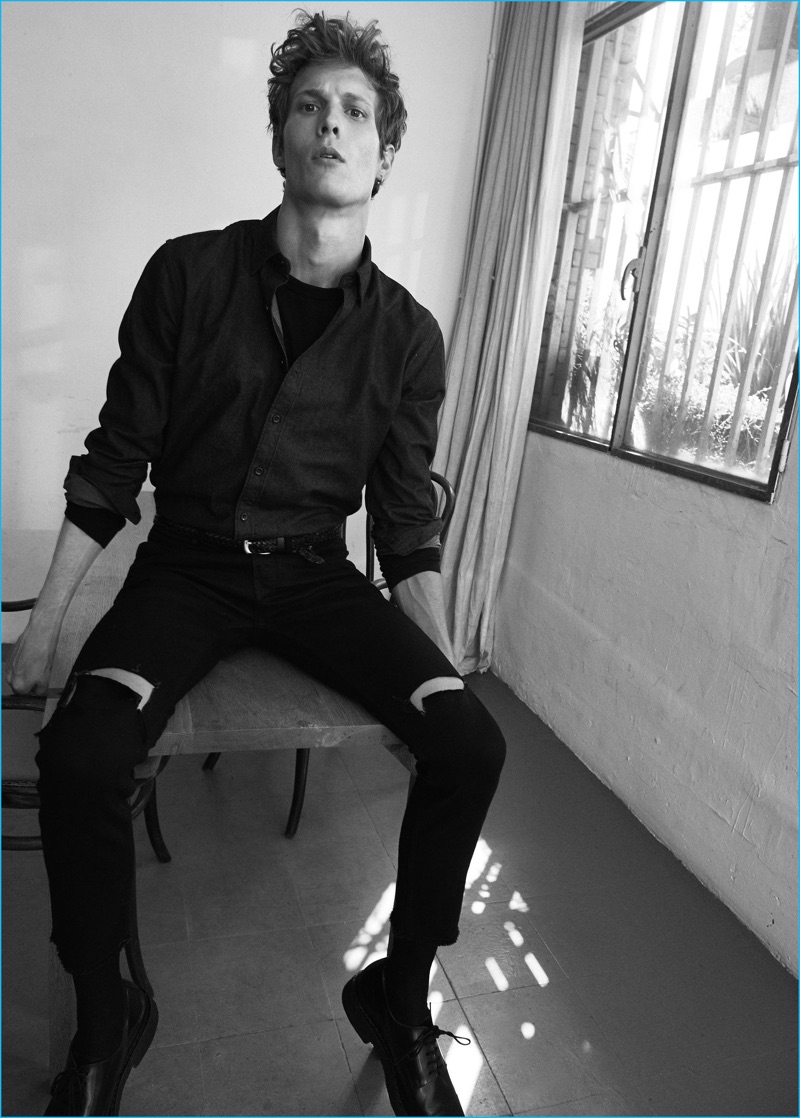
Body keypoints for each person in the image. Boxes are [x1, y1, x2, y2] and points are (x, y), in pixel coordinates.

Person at [7, 11, 506, 1117]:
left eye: (355, 112)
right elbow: (113, 465)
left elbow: (405, 522)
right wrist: (42, 635)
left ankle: (398, 1000)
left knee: (471, 739)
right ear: (279, 138)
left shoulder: (408, 336)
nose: (330, 124)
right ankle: (106, 1020)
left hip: (316, 577)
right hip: (186, 567)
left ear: (383, 153)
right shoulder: (186, 275)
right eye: (308, 106)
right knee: (82, 755)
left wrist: (438, 665)